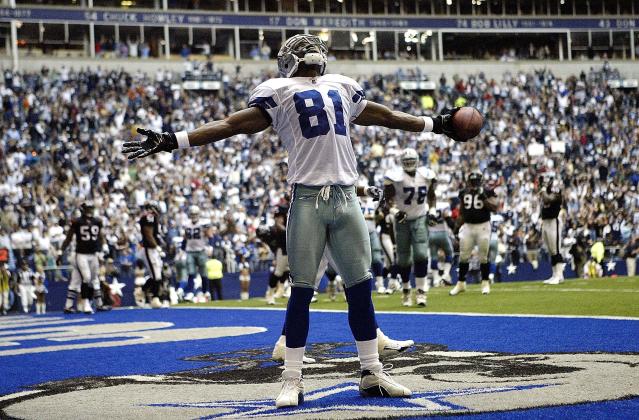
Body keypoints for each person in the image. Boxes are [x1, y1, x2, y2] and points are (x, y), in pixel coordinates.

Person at [123, 34, 465, 408]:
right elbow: (386, 117)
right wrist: (437, 124)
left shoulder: (289, 88)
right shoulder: (334, 86)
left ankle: (368, 373)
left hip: (331, 198)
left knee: (343, 289)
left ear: (290, 60)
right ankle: (298, 377)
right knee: (319, 290)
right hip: (322, 198)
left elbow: (231, 124)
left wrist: (176, 139)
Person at [384, 148, 436, 307]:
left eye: (411, 161)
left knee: (421, 254)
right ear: (401, 163)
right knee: (404, 259)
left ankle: (421, 292)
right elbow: (388, 200)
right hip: (402, 220)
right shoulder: (395, 177)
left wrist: (432, 211)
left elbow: (432, 195)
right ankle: (406, 290)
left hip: (419, 217)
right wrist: (395, 212)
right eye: (406, 162)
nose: (409, 164)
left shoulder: (426, 175)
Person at [450, 171, 500, 296]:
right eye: (472, 182)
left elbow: (495, 208)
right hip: (467, 226)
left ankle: (485, 283)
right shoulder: (463, 193)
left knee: (483, 256)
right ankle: (461, 283)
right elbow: (462, 212)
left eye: (476, 182)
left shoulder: (488, 192)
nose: (474, 184)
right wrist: (456, 228)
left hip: (483, 226)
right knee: (463, 256)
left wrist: (483, 197)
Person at [59, 201, 107, 314]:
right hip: (81, 254)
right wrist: (61, 251)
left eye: (91, 209)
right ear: (83, 210)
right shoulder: (77, 222)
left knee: (82, 280)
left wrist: (104, 246)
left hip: (93, 254)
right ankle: (86, 303)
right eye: (88, 209)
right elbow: (69, 237)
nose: (90, 211)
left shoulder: (97, 221)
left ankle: (69, 306)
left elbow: (100, 235)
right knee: (87, 278)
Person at [138, 201, 166, 308]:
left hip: (152, 249)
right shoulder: (149, 217)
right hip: (150, 249)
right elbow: (148, 234)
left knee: (157, 274)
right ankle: (155, 298)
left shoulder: (151, 218)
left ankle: (143, 291)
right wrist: (156, 247)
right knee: (156, 275)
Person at [539, 175, 565, 285]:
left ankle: (559, 276)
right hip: (545, 222)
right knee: (550, 251)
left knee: (555, 250)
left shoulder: (556, 192)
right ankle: (555, 275)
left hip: (554, 222)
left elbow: (547, 199)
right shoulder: (546, 191)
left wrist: (544, 189)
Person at [183, 205, 210, 301]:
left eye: (195, 214)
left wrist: (207, 231)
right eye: (192, 214)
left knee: (203, 272)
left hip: (201, 250)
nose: (194, 216)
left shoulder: (203, 223)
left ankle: (206, 291)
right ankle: (190, 292)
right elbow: (185, 237)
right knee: (191, 272)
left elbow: (209, 235)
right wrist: (183, 249)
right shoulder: (186, 224)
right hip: (190, 251)